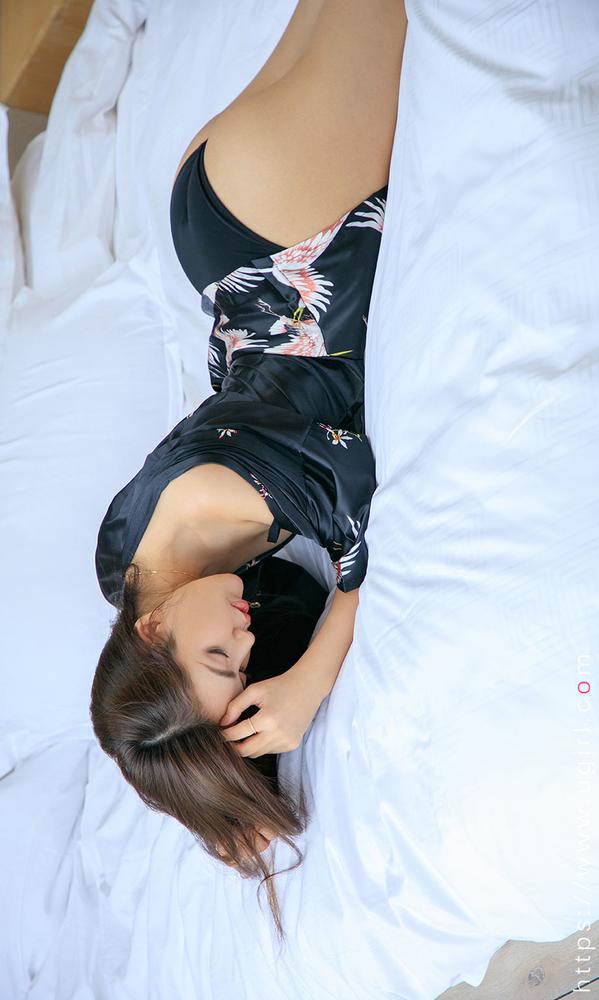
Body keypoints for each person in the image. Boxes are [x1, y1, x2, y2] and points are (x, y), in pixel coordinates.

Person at [90, 0, 408, 945]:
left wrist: (308, 682)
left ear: (154, 631)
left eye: (221, 657)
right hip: (224, 236)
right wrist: (215, 803)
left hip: (296, 229)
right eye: (242, 664)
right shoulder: (123, 571)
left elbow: (368, 545)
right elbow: (163, 716)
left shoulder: (253, 495)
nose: (245, 633)